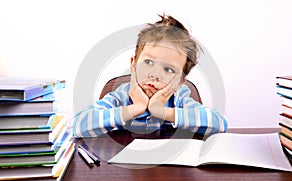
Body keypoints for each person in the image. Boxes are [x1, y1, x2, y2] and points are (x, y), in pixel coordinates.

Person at [73, 14, 227, 138]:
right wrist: (135, 108)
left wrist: (162, 111)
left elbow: (220, 124)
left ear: (180, 82)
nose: (154, 75)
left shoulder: (179, 99)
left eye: (168, 70)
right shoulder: (121, 97)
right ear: (133, 65)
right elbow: (78, 125)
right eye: (148, 62)